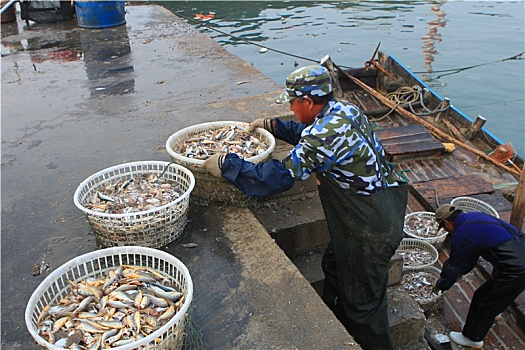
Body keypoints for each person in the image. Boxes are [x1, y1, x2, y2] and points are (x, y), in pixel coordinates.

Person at [202, 64, 408, 349]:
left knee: (366, 308)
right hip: (380, 210)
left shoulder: (322, 135)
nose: (290, 106)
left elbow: (278, 178)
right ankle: (338, 322)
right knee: (333, 265)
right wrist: (274, 126)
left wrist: (229, 165)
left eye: (292, 102)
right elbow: (309, 132)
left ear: (308, 102)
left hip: (369, 230)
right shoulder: (345, 110)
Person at [433, 204, 525, 349]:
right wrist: (459, 274)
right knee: (498, 291)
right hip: (520, 250)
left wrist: (441, 285)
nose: (446, 231)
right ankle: (496, 311)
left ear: (446, 223)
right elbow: (470, 258)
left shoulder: (461, 234)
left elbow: (453, 265)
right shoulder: (474, 217)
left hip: (517, 269)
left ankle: (472, 338)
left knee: (483, 299)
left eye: (444, 228)